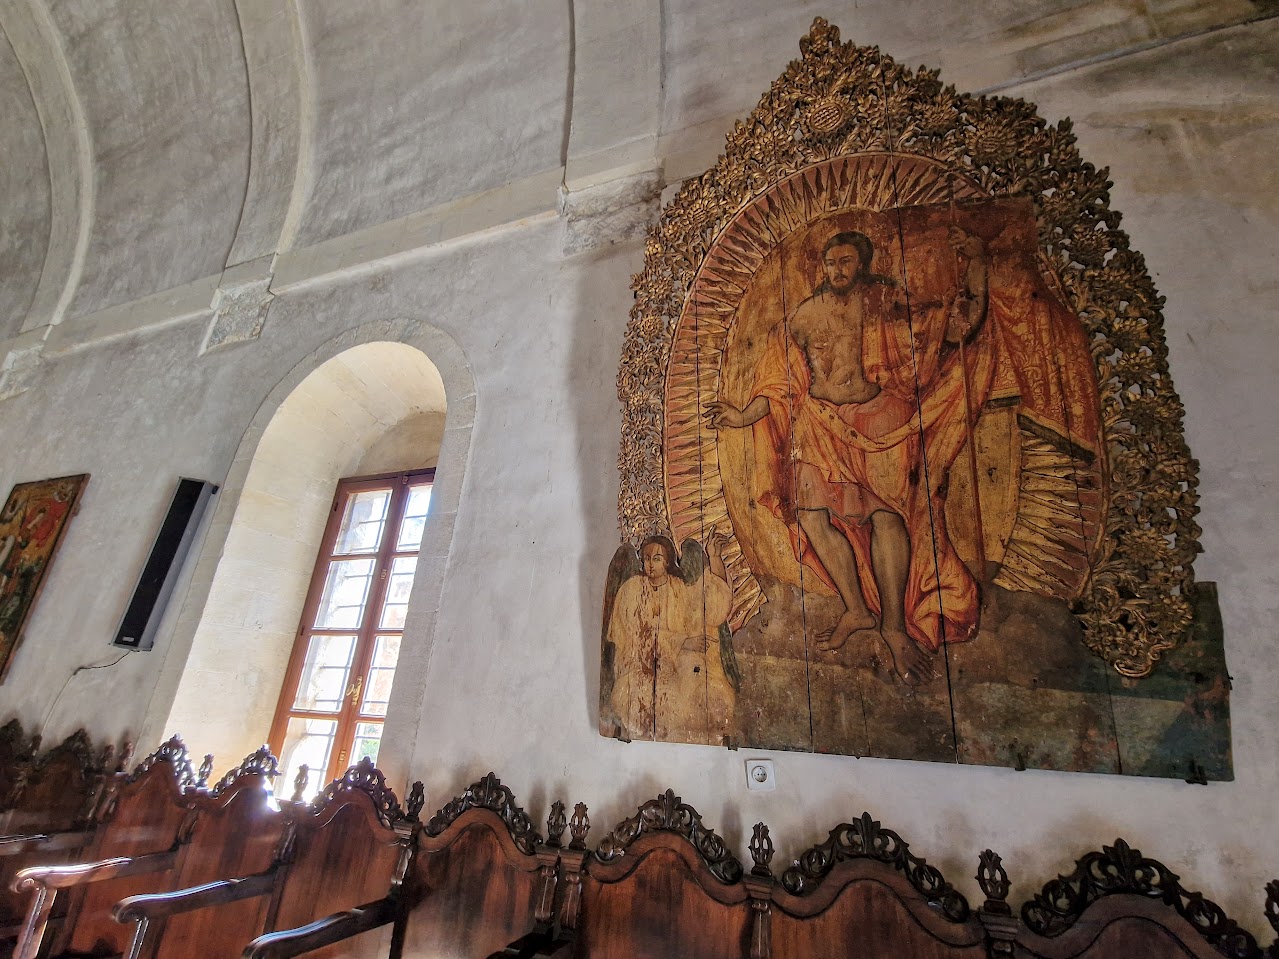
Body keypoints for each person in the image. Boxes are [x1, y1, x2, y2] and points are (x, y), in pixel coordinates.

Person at [704, 228, 991, 685]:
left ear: (862, 264)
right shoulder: (803, 315)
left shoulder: (887, 303)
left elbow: (957, 324)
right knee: (812, 516)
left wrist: (977, 264)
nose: (837, 271)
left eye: (846, 262)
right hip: (818, 422)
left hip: (880, 419)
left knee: (887, 517)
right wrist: (741, 416)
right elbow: (778, 382)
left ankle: (894, 627)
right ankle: (856, 609)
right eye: (830, 263)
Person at [606, 530, 736, 744]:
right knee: (633, 698)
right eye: (646, 558)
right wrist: (682, 642)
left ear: (667, 561)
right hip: (642, 667)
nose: (650, 564)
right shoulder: (631, 590)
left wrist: (714, 557)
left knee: (712, 695)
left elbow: (712, 606)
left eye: (657, 558)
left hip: (679, 665)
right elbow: (635, 636)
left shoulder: (679, 589)